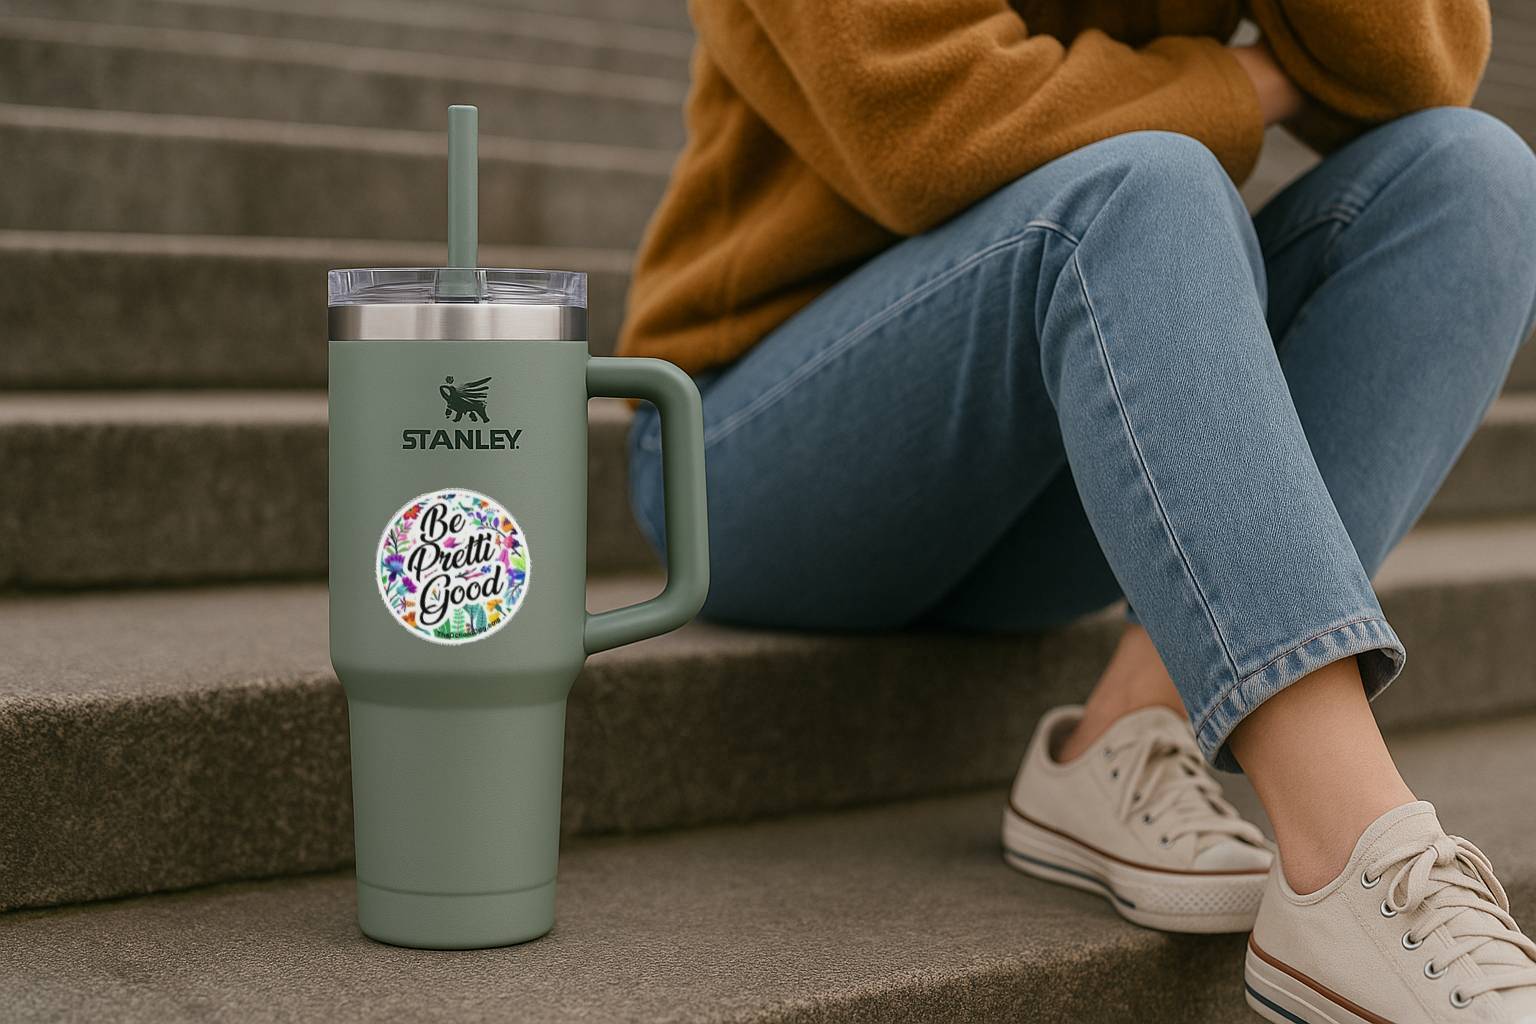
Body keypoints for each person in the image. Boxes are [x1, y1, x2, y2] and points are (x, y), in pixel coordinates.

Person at [619, 2, 1536, 1020]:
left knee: (1473, 179)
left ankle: (1129, 725)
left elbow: (1422, 68)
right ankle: (1353, 857)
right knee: (1145, 186)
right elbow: (931, 121)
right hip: (756, 456)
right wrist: (1252, 82)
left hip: (1038, 488)